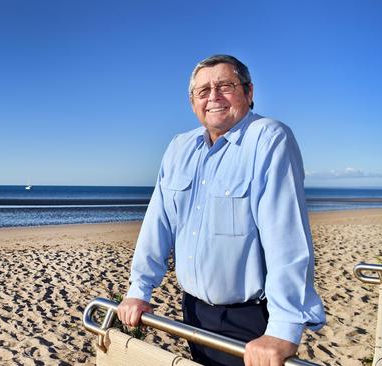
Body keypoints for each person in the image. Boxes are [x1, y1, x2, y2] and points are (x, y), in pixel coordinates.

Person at [117, 54, 326, 366]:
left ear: (249, 92)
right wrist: (139, 289)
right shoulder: (178, 147)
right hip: (192, 312)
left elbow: (287, 238)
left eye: (225, 86)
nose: (213, 97)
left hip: (248, 319)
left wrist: (283, 329)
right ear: (192, 103)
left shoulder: (269, 139)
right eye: (203, 91)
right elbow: (157, 224)